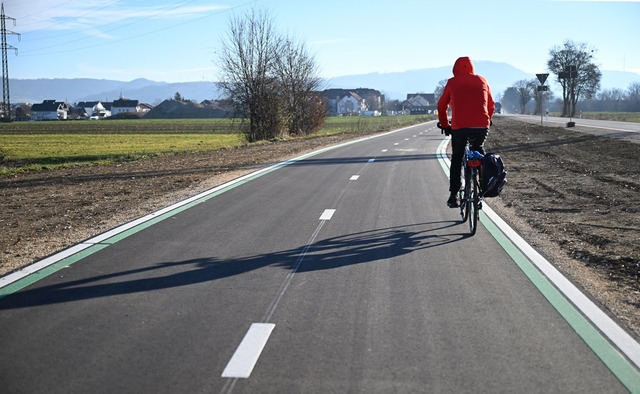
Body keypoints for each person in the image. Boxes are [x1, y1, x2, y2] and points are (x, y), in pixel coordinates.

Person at [437, 56, 495, 208]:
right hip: (481, 126)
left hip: (459, 127)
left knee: (457, 158)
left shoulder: (452, 82)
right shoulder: (482, 80)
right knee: (479, 152)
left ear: (455, 69)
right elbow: (491, 104)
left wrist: (445, 124)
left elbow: (441, 106)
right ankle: (481, 191)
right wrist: (487, 120)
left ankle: (453, 195)